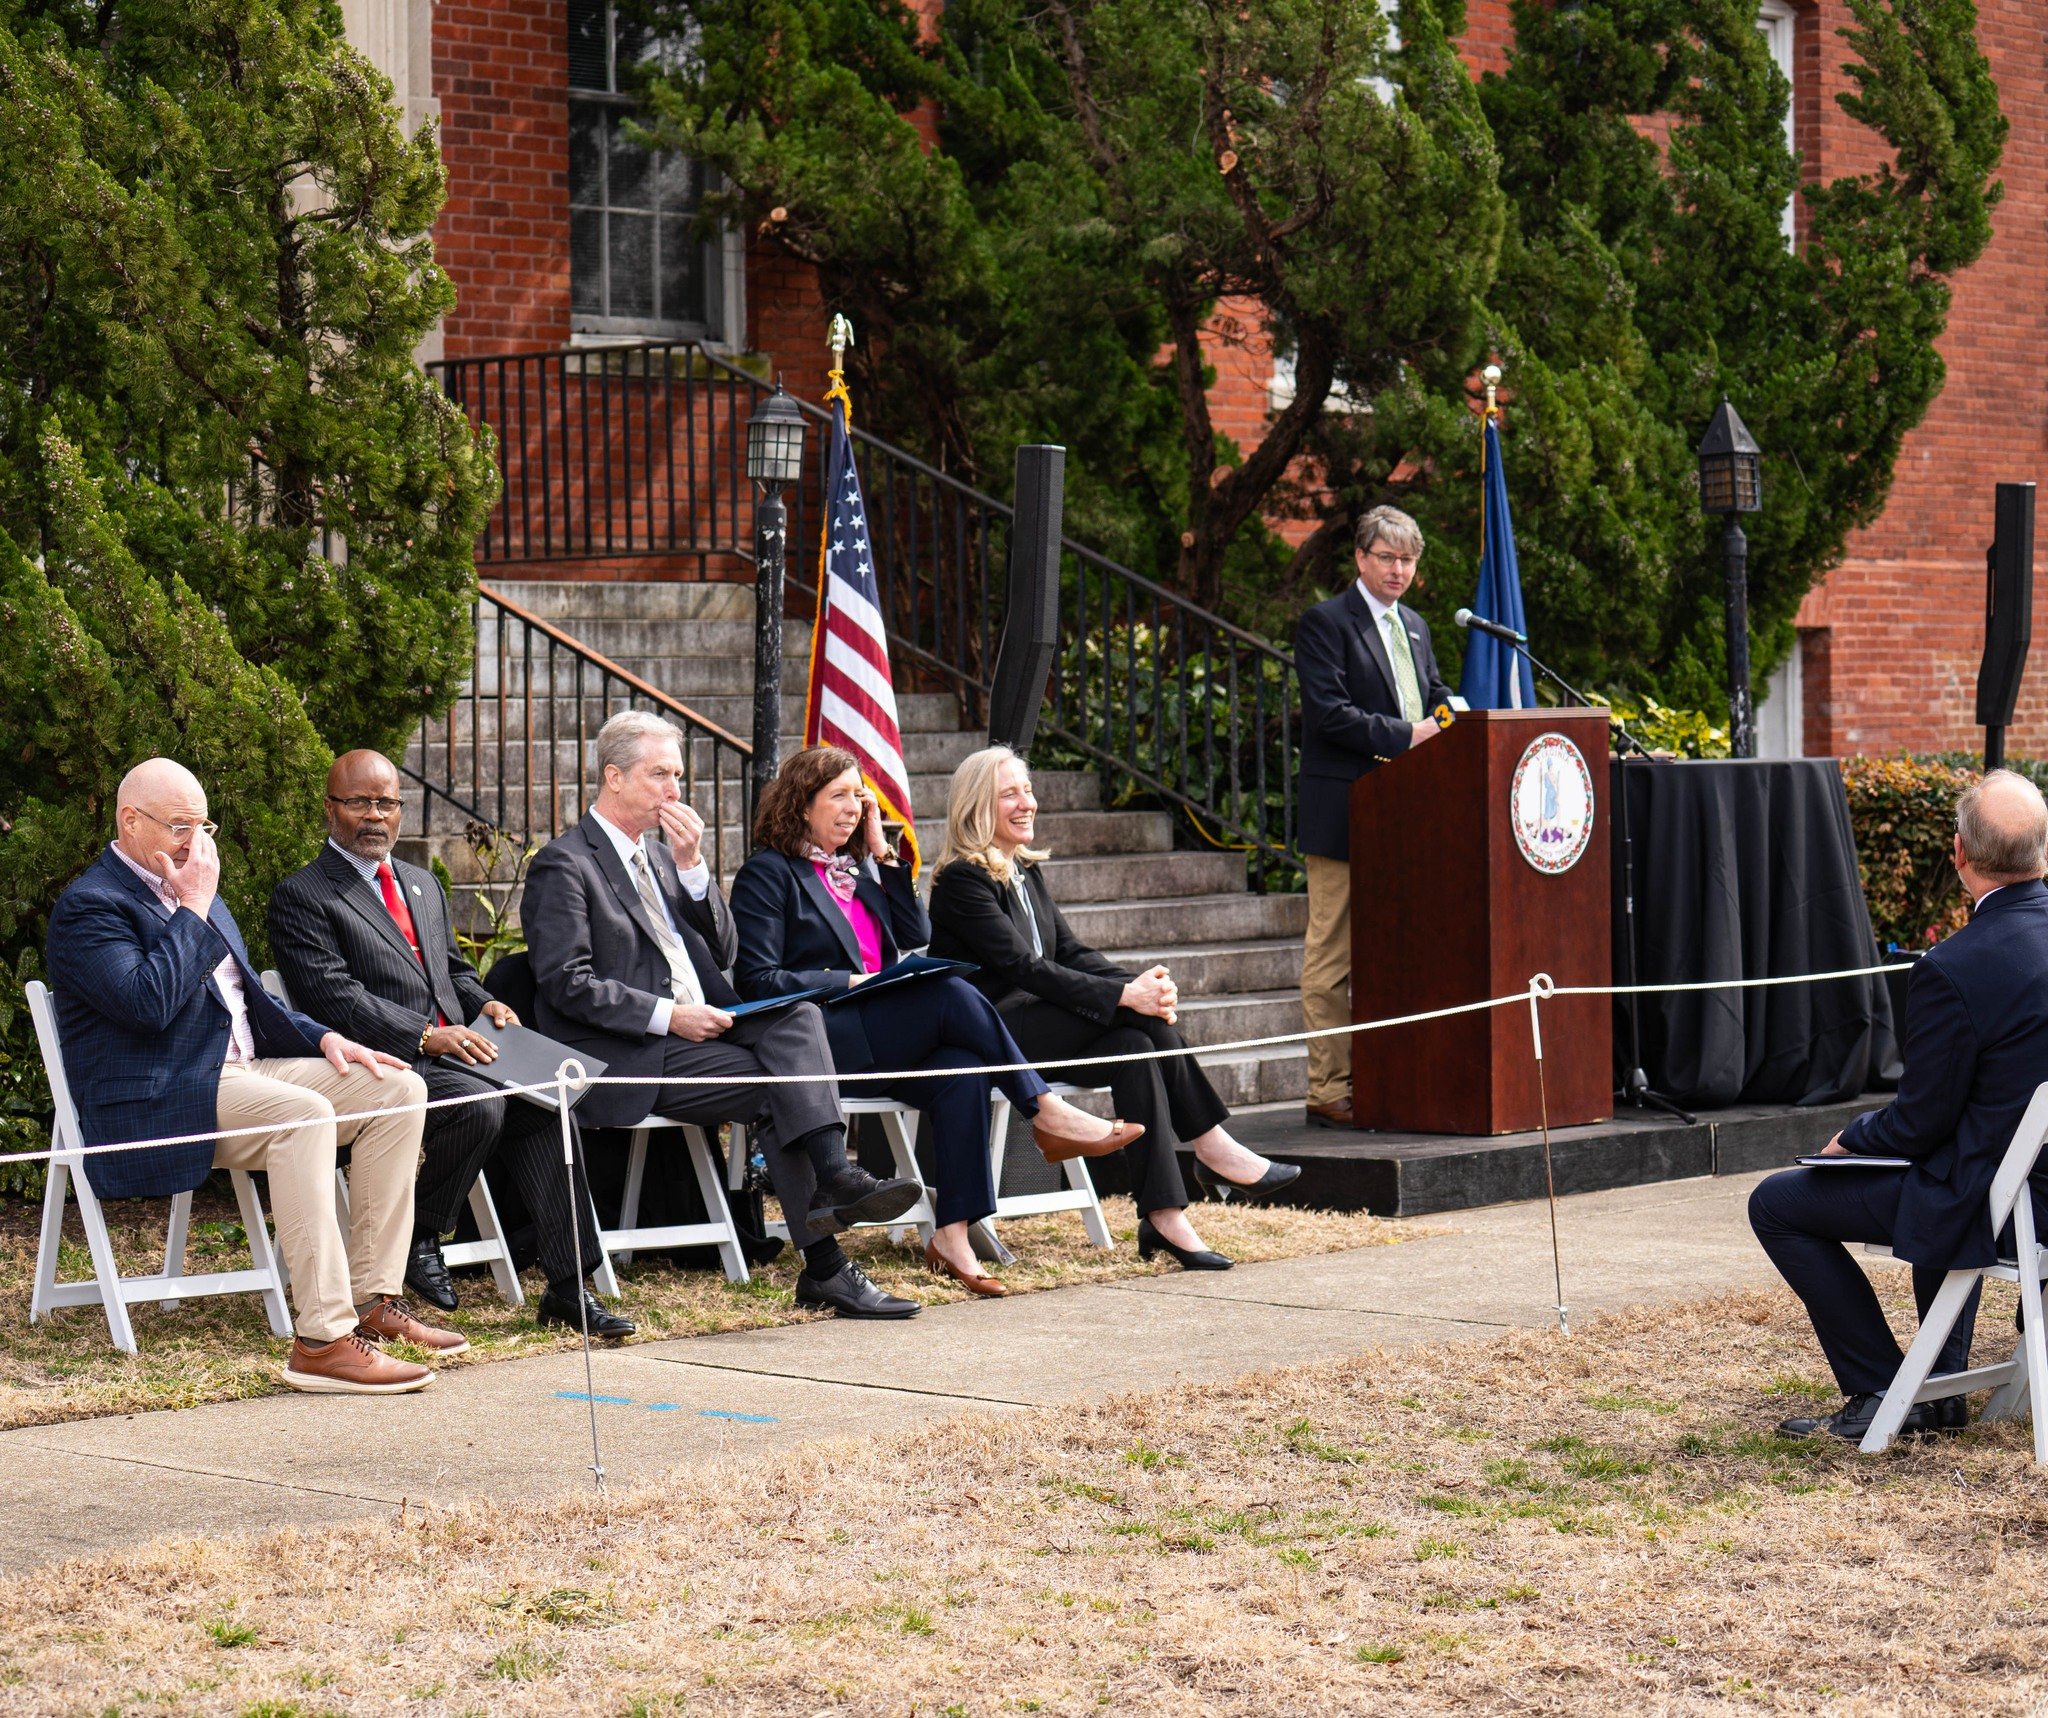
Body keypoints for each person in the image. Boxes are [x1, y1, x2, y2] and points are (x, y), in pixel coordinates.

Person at [44, 758, 460, 1393]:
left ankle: (372, 1299)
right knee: (305, 1116)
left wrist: (325, 1037)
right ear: (131, 821)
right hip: (162, 1088)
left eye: (202, 824)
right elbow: (146, 1005)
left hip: (239, 1070)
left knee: (398, 1091)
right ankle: (322, 1341)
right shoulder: (91, 906)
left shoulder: (192, 886)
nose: (196, 842)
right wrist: (194, 907)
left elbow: (249, 1006)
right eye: (180, 825)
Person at [521, 711, 927, 1320]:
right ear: (614, 777)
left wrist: (692, 870)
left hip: (703, 1022)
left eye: (678, 775)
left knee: (799, 1016)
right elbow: (565, 984)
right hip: (624, 1050)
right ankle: (827, 1262)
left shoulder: (661, 860)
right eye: (660, 775)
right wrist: (668, 1015)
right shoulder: (565, 864)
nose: (675, 790)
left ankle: (835, 1179)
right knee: (777, 1091)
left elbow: (726, 954)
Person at [729, 746, 1141, 1296]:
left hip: (883, 1036)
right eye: (839, 797)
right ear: (802, 805)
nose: (853, 807)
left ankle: (952, 1234)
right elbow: (756, 980)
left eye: (859, 796)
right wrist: (846, 982)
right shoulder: (768, 873)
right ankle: (1044, 1110)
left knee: (964, 1067)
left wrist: (884, 854)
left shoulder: (860, 869)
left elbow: (913, 930)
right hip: (820, 1038)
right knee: (948, 989)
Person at [268, 748, 628, 1338]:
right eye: (359, 802)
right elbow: (334, 999)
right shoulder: (305, 895)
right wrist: (426, 1036)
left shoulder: (419, 883)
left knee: (546, 1102)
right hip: (379, 1063)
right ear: (330, 809)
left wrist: (481, 1001)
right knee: (479, 1104)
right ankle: (418, 1236)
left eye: (386, 803)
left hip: (457, 1050)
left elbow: (452, 972)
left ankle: (568, 1287)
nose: (374, 815)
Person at [1749, 769, 2048, 1441]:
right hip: (2028, 1182)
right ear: (2043, 853)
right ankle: (1937, 1387)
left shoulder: (1955, 966)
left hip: (2009, 1205)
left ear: (1960, 855)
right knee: (1948, 1166)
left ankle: (1886, 1388)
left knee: (1777, 1203)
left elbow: (1919, 1122)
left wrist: (1851, 1140)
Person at [928, 747, 1302, 1270]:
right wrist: (1127, 997)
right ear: (975, 807)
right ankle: (1212, 1145)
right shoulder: (960, 880)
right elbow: (1023, 968)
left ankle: (1163, 1216)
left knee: (1134, 1045)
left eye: (1028, 790)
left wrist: (1136, 984)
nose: (1026, 803)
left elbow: (1072, 953)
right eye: (1009, 793)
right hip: (991, 1033)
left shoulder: (1024, 872)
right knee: (1137, 1017)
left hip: (1038, 1025)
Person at [1293, 504, 1455, 1128]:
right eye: (1386, 557)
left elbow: (1436, 696)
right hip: (1346, 814)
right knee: (1332, 955)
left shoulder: (1414, 625)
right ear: (1360, 558)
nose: (1398, 569)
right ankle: (1328, 1087)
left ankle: (1396, 1073)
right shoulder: (1325, 623)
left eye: (1408, 559)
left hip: (1413, 818)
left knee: (1405, 951)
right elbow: (1329, 713)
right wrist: (1409, 735)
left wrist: (1448, 722)